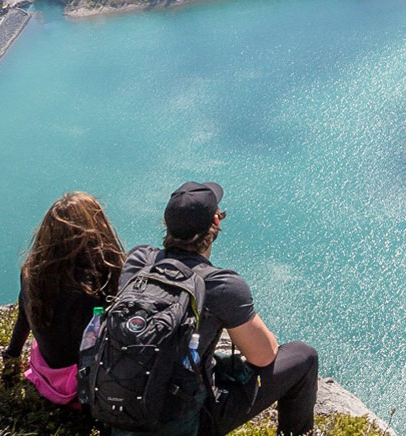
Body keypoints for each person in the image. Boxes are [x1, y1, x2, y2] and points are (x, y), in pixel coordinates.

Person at [117, 181, 320, 436]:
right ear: (216, 222)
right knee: (304, 356)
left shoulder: (138, 260)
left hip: (120, 413)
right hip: (185, 424)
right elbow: (264, 356)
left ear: (168, 224)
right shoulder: (221, 284)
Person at [3, 192, 126, 410]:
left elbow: (24, 316)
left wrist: (11, 356)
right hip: (76, 387)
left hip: (46, 371)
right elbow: (90, 349)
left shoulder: (31, 271)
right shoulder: (92, 288)